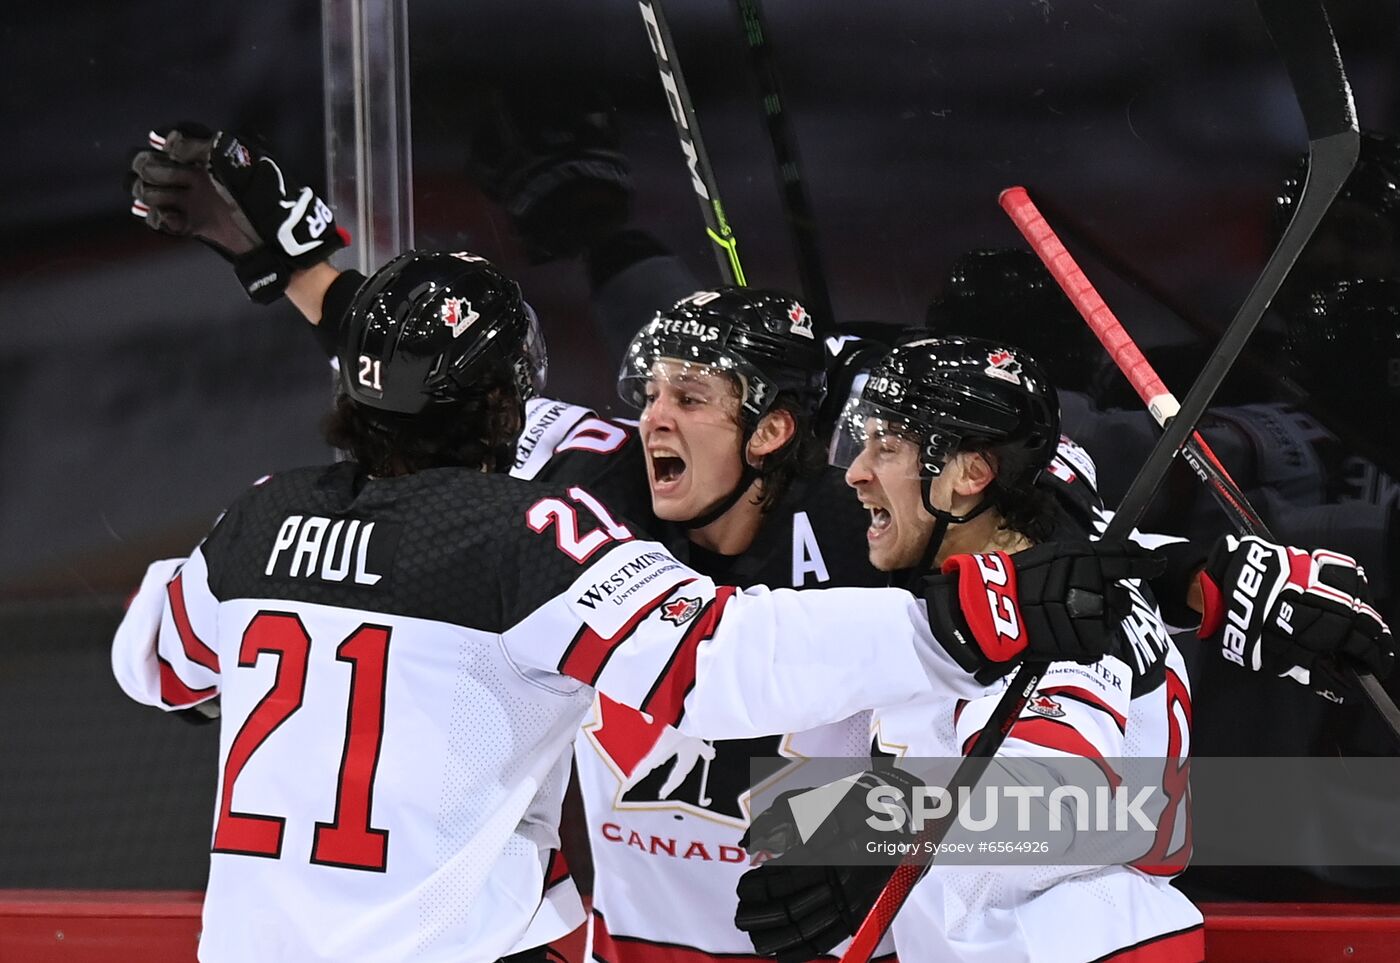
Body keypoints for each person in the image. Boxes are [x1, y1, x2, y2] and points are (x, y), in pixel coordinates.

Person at [118, 130, 1155, 963]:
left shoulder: (871, 523)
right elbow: (422, 388)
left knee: (1106, 914)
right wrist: (289, 258)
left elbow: (1111, 798)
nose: (651, 420)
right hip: (634, 940)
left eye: (689, 398)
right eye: (644, 392)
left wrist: (879, 833)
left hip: (827, 944)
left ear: (773, 431)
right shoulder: (583, 486)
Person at [735, 336, 1208, 962]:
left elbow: (1065, 794)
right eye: (862, 440)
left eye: (887, 446)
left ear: (971, 474)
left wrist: (883, 824)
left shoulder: (1051, 620)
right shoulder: (1054, 576)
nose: (855, 471)